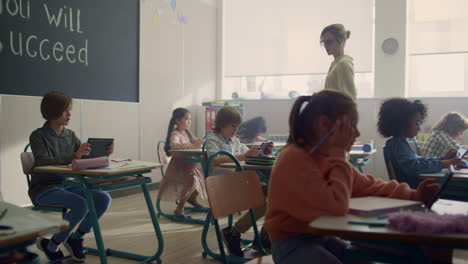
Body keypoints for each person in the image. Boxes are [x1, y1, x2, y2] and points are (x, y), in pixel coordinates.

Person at [264, 90, 448, 263]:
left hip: (321, 237)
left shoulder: (324, 157)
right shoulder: (294, 158)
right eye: (351, 125)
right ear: (324, 124)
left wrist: (413, 195)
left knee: (364, 259)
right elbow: (335, 207)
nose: (357, 133)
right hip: (291, 243)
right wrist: (339, 152)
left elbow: (368, 185)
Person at [29, 91, 113, 262]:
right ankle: (51, 245)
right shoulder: (38, 135)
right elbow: (42, 162)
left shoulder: (70, 135)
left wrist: (101, 152)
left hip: (66, 185)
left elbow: (82, 159)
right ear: (53, 111)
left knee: (103, 198)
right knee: (81, 204)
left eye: (70, 110)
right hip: (43, 189)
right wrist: (75, 155)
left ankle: (76, 238)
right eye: (65, 110)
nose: (69, 114)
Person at [204, 106, 272, 257]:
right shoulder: (212, 139)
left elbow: (247, 153)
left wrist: (261, 151)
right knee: (264, 202)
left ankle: (260, 235)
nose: (236, 130)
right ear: (222, 124)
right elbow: (215, 160)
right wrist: (243, 156)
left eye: (237, 126)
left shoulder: (234, 141)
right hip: (220, 186)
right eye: (233, 126)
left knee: (275, 194)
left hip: (235, 183)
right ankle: (235, 232)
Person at [378, 98, 463, 188]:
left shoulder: (400, 143)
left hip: (416, 186)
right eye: (416, 123)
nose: (419, 128)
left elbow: (418, 160)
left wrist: (442, 159)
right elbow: (414, 167)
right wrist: (443, 163)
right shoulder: (398, 145)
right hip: (415, 189)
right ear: (401, 123)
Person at [157, 108, 206, 217]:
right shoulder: (175, 134)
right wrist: (193, 146)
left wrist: (201, 142)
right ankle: (179, 209)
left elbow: (196, 142)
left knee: (205, 176)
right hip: (178, 169)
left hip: (189, 166)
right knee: (192, 180)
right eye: (186, 119)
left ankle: (191, 198)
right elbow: (174, 146)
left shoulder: (187, 133)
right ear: (177, 121)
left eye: (190, 119)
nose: (189, 122)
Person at [321, 24, 356, 99]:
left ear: (341, 40)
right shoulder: (336, 64)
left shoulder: (343, 64)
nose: (326, 46)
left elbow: (349, 97)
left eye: (329, 41)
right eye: (324, 42)